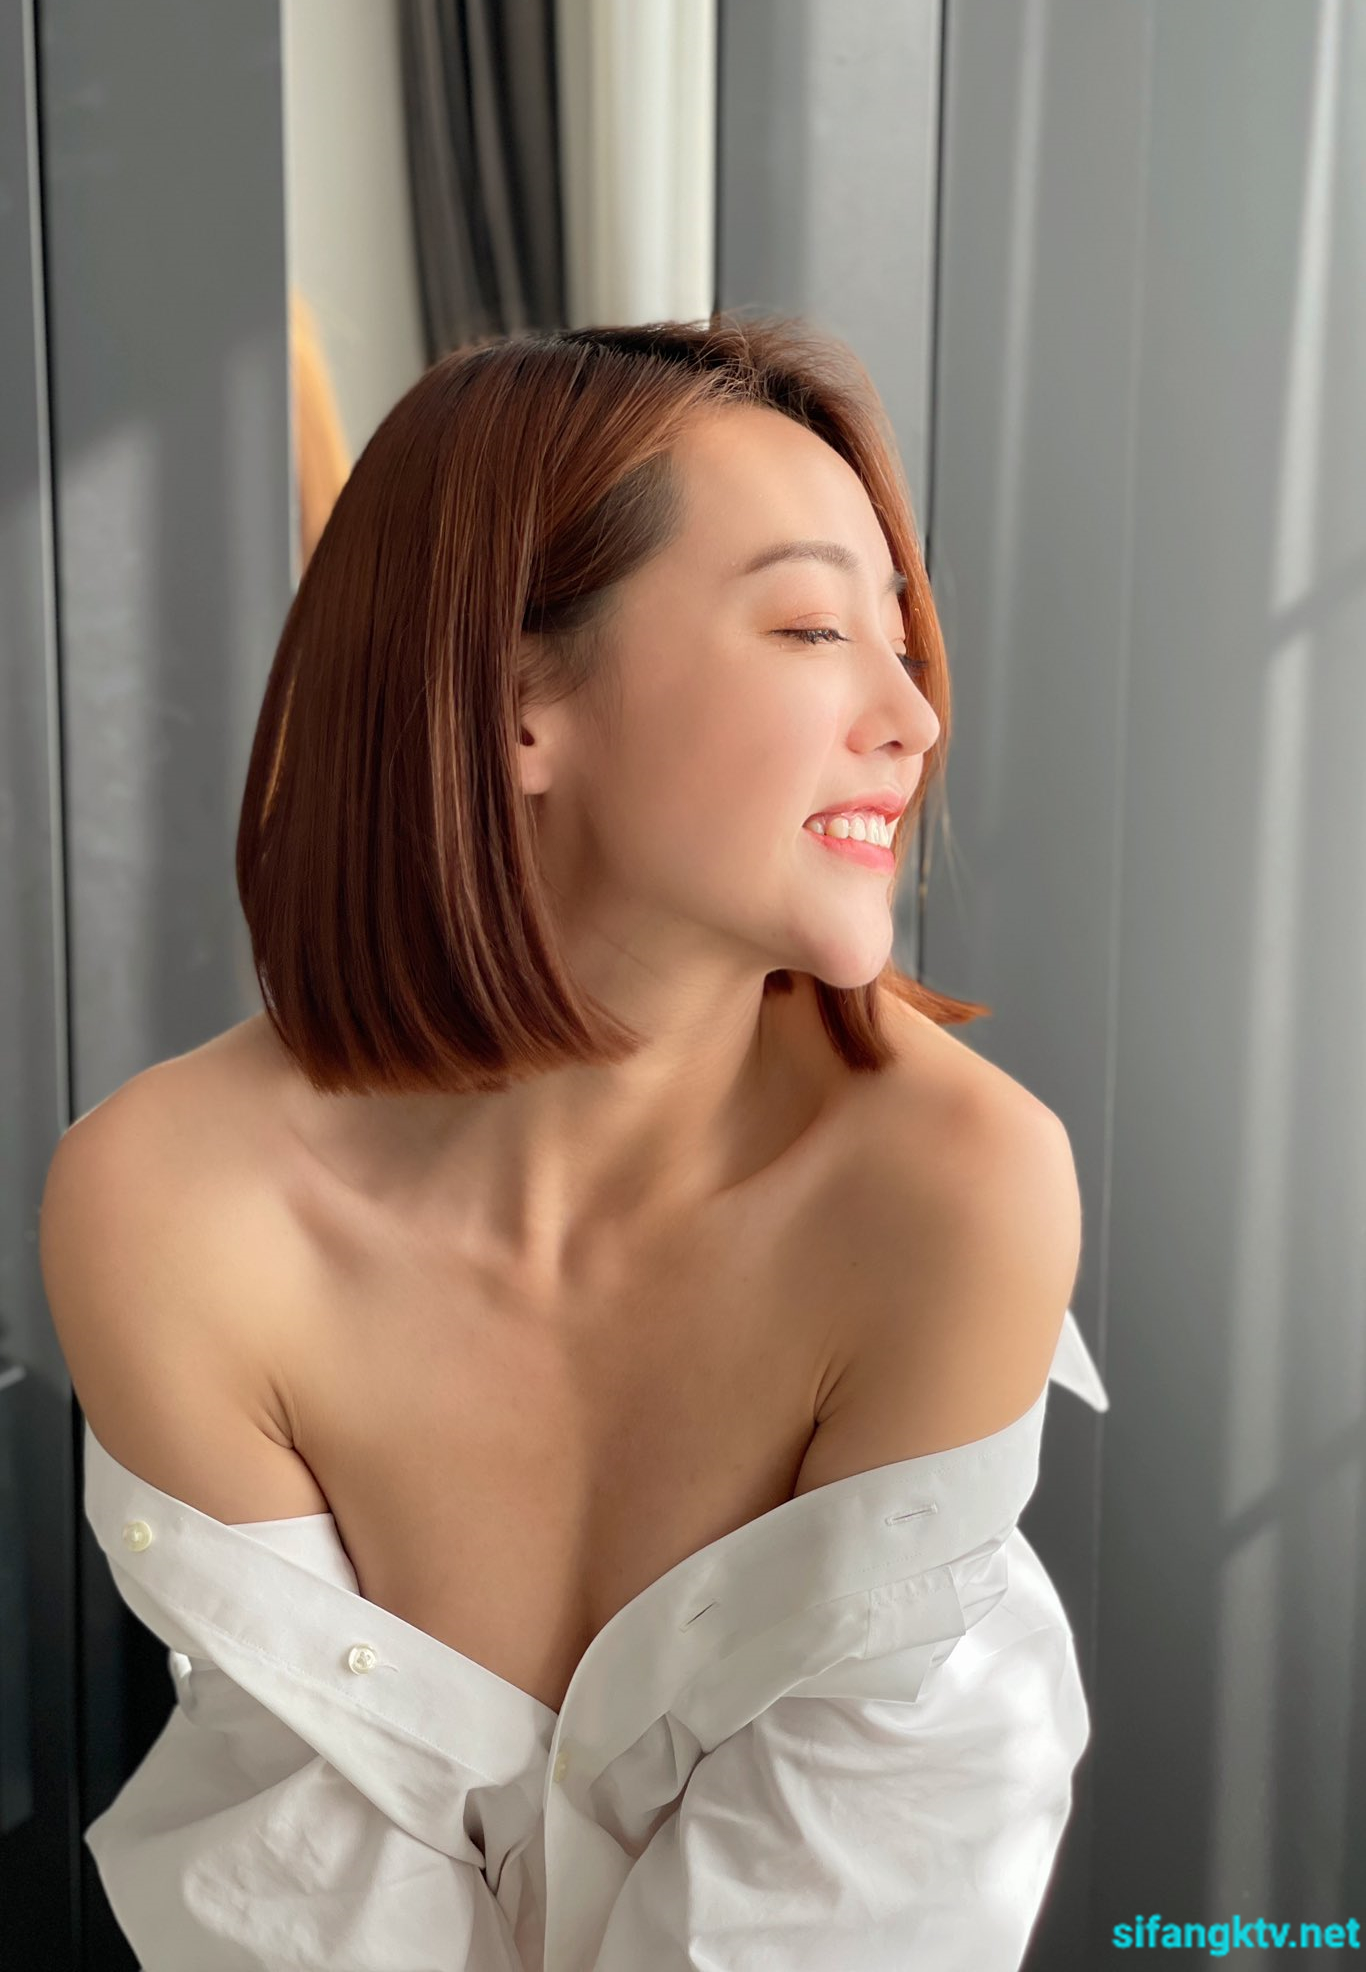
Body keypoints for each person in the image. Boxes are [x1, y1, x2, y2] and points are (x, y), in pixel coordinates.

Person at [41, 313, 1108, 1970]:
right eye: (811, 627)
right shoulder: (170, 1210)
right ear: (515, 698)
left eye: (901, 642)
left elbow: (832, 1901)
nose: (910, 716)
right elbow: (303, 1885)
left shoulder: (948, 1193)